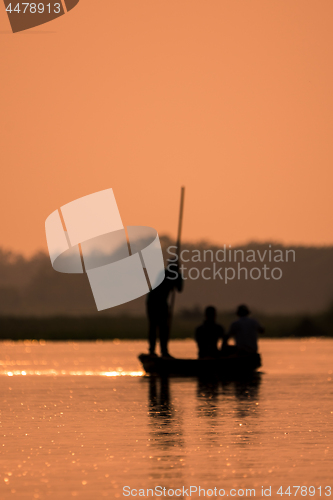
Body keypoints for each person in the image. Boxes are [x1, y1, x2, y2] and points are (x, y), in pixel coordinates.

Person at [146, 260, 183, 358]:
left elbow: (179, 289)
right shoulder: (164, 273)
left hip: (162, 302)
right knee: (154, 326)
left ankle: (164, 351)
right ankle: (152, 350)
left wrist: (178, 276)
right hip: (154, 301)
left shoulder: (176, 275)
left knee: (164, 327)